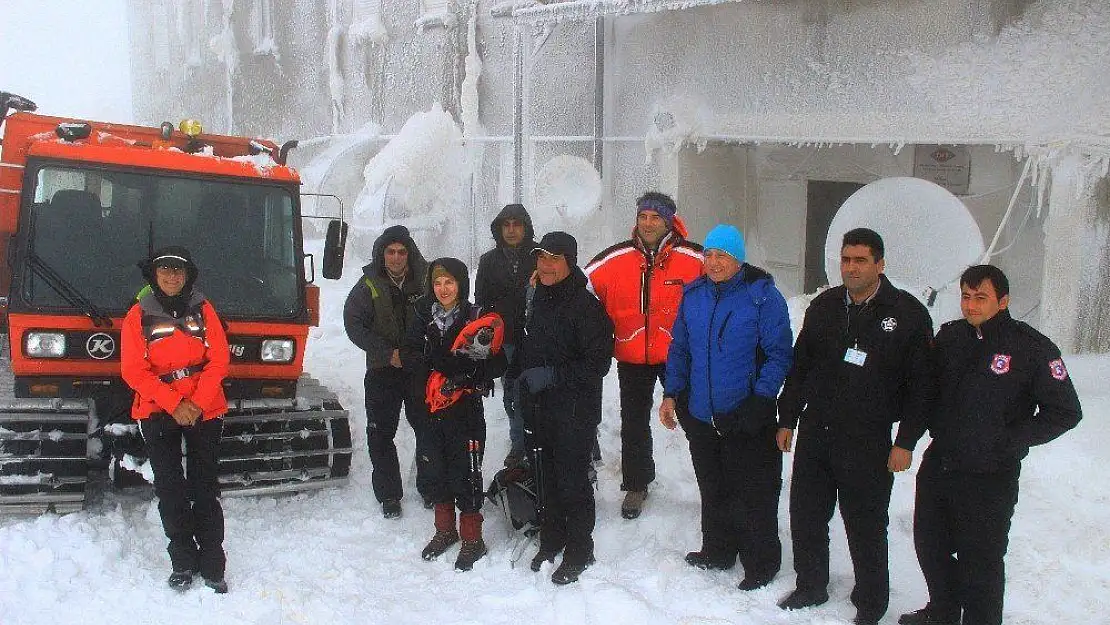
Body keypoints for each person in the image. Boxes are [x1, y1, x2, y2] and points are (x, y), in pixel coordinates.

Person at [897, 265, 1081, 625]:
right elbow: (926, 392)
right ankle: (943, 612)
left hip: (990, 473)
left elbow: (1065, 411)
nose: (970, 305)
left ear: (1003, 300)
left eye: (980, 297)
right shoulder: (950, 339)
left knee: (980, 561)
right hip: (942, 462)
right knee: (930, 546)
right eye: (966, 296)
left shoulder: (1031, 348)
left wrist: (1010, 439)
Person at [775, 228, 933, 625]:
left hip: (869, 436)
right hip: (818, 429)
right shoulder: (825, 306)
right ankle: (811, 585)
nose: (851, 267)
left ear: (880, 264)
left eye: (860, 260)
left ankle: (871, 600)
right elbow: (801, 366)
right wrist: (788, 417)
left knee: (865, 523)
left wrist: (906, 442)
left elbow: (922, 388)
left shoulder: (907, 314)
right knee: (807, 514)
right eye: (846, 259)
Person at [658, 224, 793, 591]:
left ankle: (761, 563)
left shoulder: (762, 297)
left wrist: (761, 400)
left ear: (738, 259)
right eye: (710, 255)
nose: (714, 263)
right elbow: (680, 349)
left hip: (745, 414)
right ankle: (718, 550)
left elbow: (779, 356)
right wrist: (673, 393)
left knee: (753, 491)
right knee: (714, 487)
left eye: (723, 256)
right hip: (702, 414)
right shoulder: (695, 295)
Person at [585, 191, 704, 519]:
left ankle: (711, 484)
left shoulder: (694, 259)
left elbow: (728, 275)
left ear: (669, 220)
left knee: (694, 419)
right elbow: (580, 284)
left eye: (656, 217)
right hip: (632, 354)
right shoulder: (616, 258)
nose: (648, 223)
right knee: (633, 422)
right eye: (643, 217)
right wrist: (544, 277)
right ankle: (637, 483)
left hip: (677, 355)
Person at [120, 246, 231, 593]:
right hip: (157, 410)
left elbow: (219, 360)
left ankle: (213, 563)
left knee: (205, 489)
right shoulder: (137, 316)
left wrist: (196, 403)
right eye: (165, 270)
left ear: (187, 276)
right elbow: (134, 371)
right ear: (154, 275)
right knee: (170, 490)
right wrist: (174, 402)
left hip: (205, 408)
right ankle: (182, 561)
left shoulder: (204, 309)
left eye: (178, 271)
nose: (172, 276)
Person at [515, 231, 614, 584]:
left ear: (570, 262)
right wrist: (522, 381)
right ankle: (552, 538)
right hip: (540, 406)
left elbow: (598, 363)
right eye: (541, 257)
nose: (546, 265)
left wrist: (552, 375)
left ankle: (579, 550)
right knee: (545, 477)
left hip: (574, 410)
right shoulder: (538, 298)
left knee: (572, 482)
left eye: (554, 259)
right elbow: (530, 347)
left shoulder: (586, 307)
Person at [402, 258, 507, 571]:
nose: (443, 288)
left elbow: (497, 363)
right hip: (431, 406)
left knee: (467, 473)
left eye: (449, 282)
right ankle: (445, 531)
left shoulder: (476, 317)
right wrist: (426, 369)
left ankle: (473, 538)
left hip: (465, 410)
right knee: (435, 470)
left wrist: (466, 371)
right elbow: (408, 353)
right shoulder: (422, 316)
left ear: (460, 284)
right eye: (437, 282)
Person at [343, 224, 431, 518]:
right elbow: (354, 324)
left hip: (418, 369)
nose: (396, 257)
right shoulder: (368, 284)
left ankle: (430, 488)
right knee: (381, 433)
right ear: (382, 253)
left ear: (410, 254)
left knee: (427, 428)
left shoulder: (426, 280)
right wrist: (385, 353)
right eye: (390, 252)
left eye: (401, 252)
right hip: (383, 369)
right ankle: (389, 494)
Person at [474, 203, 537, 467]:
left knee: (536, 393)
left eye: (517, 224)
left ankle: (538, 445)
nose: (511, 230)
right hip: (505, 340)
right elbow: (481, 303)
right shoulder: (489, 261)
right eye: (506, 225)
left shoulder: (539, 255)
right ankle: (518, 444)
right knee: (511, 394)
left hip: (536, 339)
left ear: (526, 227)